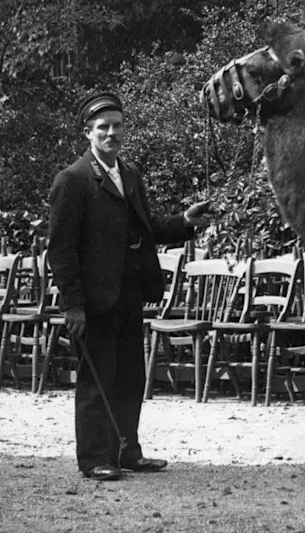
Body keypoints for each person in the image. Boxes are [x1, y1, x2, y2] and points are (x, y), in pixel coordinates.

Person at [47, 91, 217, 481]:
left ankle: (127, 453)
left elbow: (150, 229)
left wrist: (186, 221)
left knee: (130, 377)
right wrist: (72, 306)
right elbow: (61, 251)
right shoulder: (72, 182)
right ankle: (94, 459)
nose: (112, 133)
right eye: (103, 127)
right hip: (92, 302)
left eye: (118, 126)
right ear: (87, 133)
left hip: (129, 294)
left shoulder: (131, 176)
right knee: (96, 379)